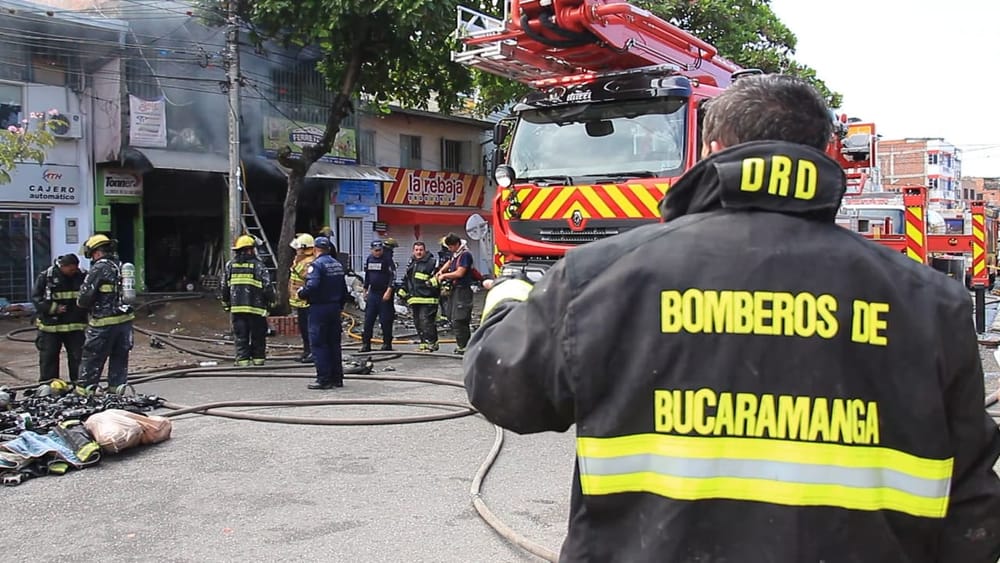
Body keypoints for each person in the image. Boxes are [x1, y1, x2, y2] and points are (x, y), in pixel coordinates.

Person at [463, 74, 1000, 562]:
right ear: (827, 152)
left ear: (712, 150)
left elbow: (503, 390)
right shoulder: (932, 303)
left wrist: (507, 299)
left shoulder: (599, 275)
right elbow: (971, 510)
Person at [77, 234, 134, 392]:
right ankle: (116, 390)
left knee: (92, 359)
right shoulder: (121, 264)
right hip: (124, 323)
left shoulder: (99, 268)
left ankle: (84, 393)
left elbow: (84, 298)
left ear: (96, 252)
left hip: (103, 324)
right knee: (120, 358)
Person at [298, 236, 348, 390]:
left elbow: (313, 285)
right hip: (334, 308)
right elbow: (344, 290)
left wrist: (302, 293)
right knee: (334, 344)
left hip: (319, 308)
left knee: (319, 344)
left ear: (315, 249)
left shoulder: (317, 265)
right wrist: (339, 306)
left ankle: (324, 379)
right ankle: (337, 378)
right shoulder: (337, 264)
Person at [220, 235, 276, 367]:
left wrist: (226, 303)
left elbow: (224, 287)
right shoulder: (258, 266)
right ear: (250, 250)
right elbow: (267, 286)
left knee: (240, 336)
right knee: (258, 335)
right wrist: (271, 301)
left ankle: (243, 361)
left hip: (237, 309)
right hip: (256, 308)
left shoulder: (230, 266)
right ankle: (258, 359)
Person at [31, 253, 87, 382]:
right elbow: (36, 298)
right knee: (49, 358)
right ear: (62, 266)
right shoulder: (46, 277)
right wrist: (53, 308)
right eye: (71, 269)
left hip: (75, 326)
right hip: (51, 328)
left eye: (75, 269)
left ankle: (79, 385)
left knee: (78, 357)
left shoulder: (82, 276)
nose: (73, 272)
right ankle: (49, 386)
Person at [436, 233, 473, 355]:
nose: (449, 249)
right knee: (451, 316)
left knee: (460, 318)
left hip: (462, 290)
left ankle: (464, 346)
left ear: (456, 244)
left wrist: (444, 276)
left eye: (450, 247)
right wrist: (441, 271)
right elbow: (449, 262)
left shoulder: (465, 255)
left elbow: (460, 272)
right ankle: (461, 344)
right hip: (454, 290)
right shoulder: (456, 254)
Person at [399, 241, 440, 352]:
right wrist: (402, 291)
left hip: (428, 298)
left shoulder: (432, 262)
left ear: (424, 250)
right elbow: (407, 279)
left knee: (426, 321)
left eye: (421, 250)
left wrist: (432, 284)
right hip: (415, 298)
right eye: (416, 250)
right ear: (413, 251)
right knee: (418, 322)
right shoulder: (412, 263)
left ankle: (432, 343)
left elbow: (439, 277)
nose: (419, 252)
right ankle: (423, 344)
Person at [360, 240, 395, 352]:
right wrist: (365, 289)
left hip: (384, 293)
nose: (378, 252)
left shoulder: (387, 259)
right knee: (368, 319)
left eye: (380, 250)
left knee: (385, 320)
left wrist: (389, 291)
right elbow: (368, 276)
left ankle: (387, 343)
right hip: (373, 293)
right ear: (372, 250)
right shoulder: (370, 259)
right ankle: (366, 344)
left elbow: (392, 277)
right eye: (376, 250)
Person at [288, 233, 317, 363]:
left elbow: (307, 277)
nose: (297, 250)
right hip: (300, 302)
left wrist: (296, 265)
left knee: (310, 330)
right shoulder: (300, 259)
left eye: (298, 248)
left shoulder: (310, 261)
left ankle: (312, 352)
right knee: (304, 330)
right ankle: (306, 351)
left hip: (308, 302)